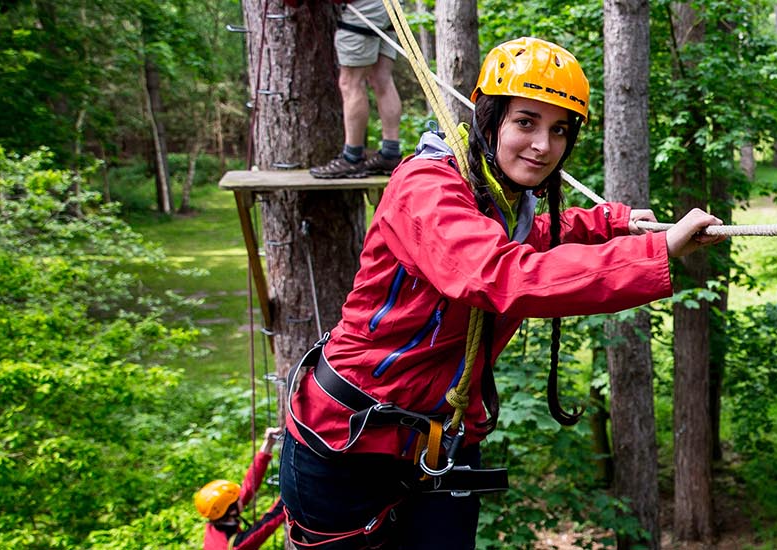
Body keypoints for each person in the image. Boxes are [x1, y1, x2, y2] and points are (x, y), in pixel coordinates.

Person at [279, 37, 726, 548]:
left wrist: (611, 223)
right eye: (526, 122)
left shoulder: (500, 199)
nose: (543, 145)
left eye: (559, 130)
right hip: (346, 444)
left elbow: (533, 234)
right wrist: (656, 253)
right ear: (489, 118)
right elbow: (502, 273)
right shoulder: (427, 188)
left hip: (438, 441)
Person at [310, 0, 403, 179]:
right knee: (381, 79)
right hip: (390, 4)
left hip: (364, 4)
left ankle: (352, 157)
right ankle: (390, 153)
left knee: (351, 82)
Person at [196, 428, 287, 550]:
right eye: (237, 499)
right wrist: (293, 490)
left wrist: (267, 445)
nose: (241, 498)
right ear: (232, 511)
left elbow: (249, 487)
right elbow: (270, 521)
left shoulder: (217, 519)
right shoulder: (236, 545)